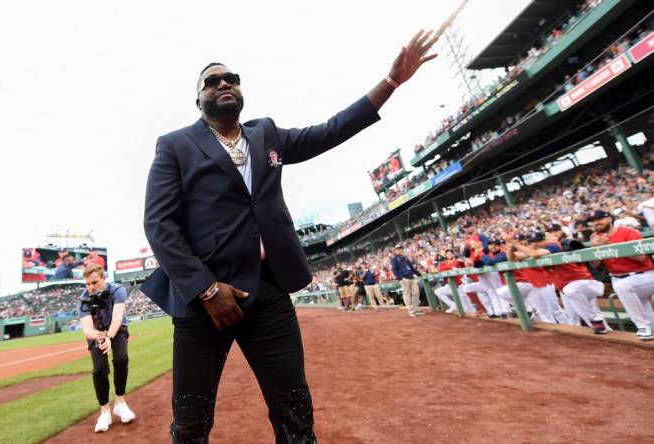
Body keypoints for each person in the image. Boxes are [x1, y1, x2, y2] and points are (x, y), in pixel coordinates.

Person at [141, 30, 438, 443]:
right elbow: (158, 224)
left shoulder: (266, 134)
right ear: (198, 100)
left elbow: (332, 129)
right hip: (204, 301)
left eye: (232, 77)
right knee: (191, 423)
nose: (224, 83)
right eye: (212, 81)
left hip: (268, 292)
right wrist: (206, 290)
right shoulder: (175, 145)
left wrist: (390, 83)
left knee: (295, 412)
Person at [77, 264, 136, 432]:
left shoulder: (117, 290)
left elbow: (118, 317)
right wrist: (100, 336)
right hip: (97, 332)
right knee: (99, 370)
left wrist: (109, 336)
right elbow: (87, 329)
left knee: (121, 358)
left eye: (94, 282)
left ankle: (120, 403)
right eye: (87, 284)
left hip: (116, 329)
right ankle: (105, 412)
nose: (91, 287)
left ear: (103, 278)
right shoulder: (83, 300)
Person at [587, 210, 654, 341]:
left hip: (645, 276)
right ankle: (649, 328)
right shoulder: (596, 238)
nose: (596, 223)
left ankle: (642, 326)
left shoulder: (628, 232)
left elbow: (640, 257)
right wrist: (593, 249)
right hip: (618, 277)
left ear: (609, 219)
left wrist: (608, 244)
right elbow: (595, 264)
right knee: (645, 312)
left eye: (599, 219)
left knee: (624, 286)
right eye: (593, 221)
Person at [391, 244, 424, 317]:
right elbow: (394, 270)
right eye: (397, 249)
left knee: (416, 292)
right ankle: (411, 310)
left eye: (400, 248)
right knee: (407, 294)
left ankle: (415, 309)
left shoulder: (405, 258)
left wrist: (419, 274)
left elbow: (411, 268)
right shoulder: (394, 259)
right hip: (404, 278)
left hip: (411, 277)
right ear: (395, 250)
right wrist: (400, 278)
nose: (399, 250)